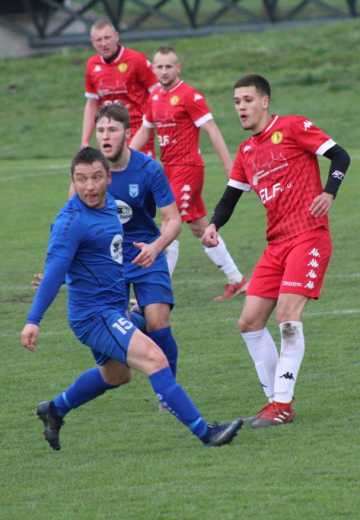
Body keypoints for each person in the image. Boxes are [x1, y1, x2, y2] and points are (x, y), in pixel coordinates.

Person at [22, 146, 243, 450]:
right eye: (82, 180)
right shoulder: (70, 222)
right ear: (72, 181)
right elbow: (58, 267)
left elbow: (103, 254)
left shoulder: (110, 205)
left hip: (112, 308)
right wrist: (33, 320)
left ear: (109, 178)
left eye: (97, 178)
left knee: (116, 375)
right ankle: (207, 433)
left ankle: (55, 409)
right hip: (94, 316)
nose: (90, 187)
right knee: (155, 358)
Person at [201, 74, 351, 428]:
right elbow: (230, 196)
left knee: (287, 316)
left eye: (248, 100)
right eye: (237, 102)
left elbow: (340, 156)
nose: (241, 107)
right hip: (276, 244)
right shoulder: (246, 152)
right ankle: (273, 402)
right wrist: (213, 225)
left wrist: (329, 192)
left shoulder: (293, 127)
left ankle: (282, 404)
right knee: (249, 322)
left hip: (308, 236)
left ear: (265, 102)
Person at [37, 104, 185, 411]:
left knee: (159, 322)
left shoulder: (148, 169)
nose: (105, 136)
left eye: (112, 130)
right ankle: (135, 321)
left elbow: (173, 220)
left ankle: (167, 395)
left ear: (128, 134)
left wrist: (155, 248)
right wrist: (59, 273)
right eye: (100, 130)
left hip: (145, 254)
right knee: (118, 370)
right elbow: (69, 231)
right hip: (107, 263)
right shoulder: (90, 174)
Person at [129, 45, 249, 301]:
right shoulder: (154, 98)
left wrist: (230, 166)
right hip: (168, 171)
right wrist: (121, 158)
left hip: (188, 169)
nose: (163, 71)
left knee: (169, 225)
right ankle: (237, 280)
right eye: (159, 66)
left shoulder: (189, 96)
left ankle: (154, 293)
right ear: (153, 68)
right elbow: (144, 132)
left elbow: (212, 130)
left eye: (168, 66)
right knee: (199, 229)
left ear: (178, 68)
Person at [81, 20, 157, 157]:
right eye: (99, 39)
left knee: (138, 175)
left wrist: (149, 124)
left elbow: (157, 95)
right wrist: (85, 140)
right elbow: (92, 103)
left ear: (116, 36)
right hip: (108, 131)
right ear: (93, 42)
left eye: (107, 37)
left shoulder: (136, 59)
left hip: (137, 129)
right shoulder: (92, 65)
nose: (104, 43)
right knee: (109, 176)